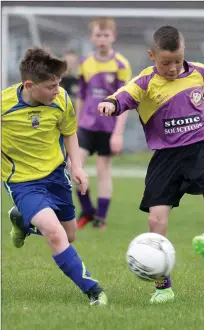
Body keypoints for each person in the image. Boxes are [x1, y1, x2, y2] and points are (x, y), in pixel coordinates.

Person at [98, 26, 204, 303]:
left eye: (177, 61)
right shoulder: (145, 81)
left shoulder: (198, 72)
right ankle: (163, 287)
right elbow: (124, 95)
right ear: (152, 56)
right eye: (165, 63)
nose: (173, 68)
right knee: (156, 219)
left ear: (184, 54)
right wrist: (110, 104)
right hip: (167, 157)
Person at [2, 47, 108, 306]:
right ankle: (93, 291)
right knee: (55, 234)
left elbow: (69, 132)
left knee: (68, 235)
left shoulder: (61, 100)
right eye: (51, 86)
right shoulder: (4, 106)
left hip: (56, 177)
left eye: (59, 84)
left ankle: (22, 221)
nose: (58, 90)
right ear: (29, 85)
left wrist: (78, 167)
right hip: (23, 183)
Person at [75, 17, 132, 230]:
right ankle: (87, 209)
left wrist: (118, 133)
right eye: (98, 35)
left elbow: (125, 102)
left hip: (108, 127)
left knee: (102, 170)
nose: (102, 39)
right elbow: (81, 95)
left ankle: (101, 218)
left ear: (113, 37)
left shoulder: (121, 64)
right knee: (74, 167)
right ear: (91, 37)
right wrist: (76, 123)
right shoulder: (85, 63)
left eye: (106, 35)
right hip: (86, 125)